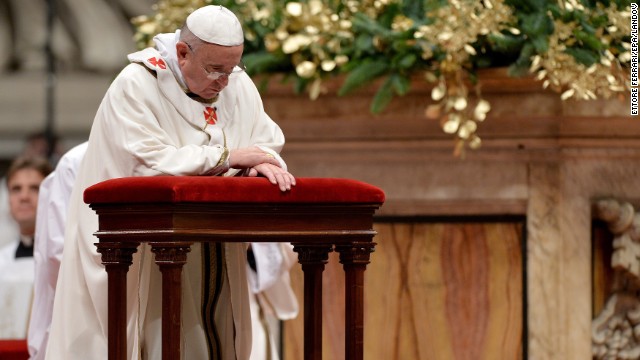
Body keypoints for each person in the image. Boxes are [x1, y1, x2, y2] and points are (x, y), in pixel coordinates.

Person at [46, 5, 296, 359]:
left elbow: (264, 142)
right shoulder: (136, 85)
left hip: (215, 243)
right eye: (214, 69)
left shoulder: (236, 84)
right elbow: (145, 161)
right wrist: (228, 158)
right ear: (182, 52)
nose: (224, 81)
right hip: (147, 252)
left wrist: (261, 166)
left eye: (233, 67)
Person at [30, 142, 297, 359]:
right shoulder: (76, 161)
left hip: (216, 284)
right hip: (116, 294)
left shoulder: (199, 151)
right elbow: (57, 250)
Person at [0, 156, 52, 339]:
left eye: (34, 188)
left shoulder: (63, 258)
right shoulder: (2, 260)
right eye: (16, 189)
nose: (23, 197)